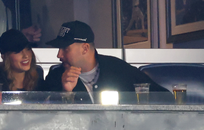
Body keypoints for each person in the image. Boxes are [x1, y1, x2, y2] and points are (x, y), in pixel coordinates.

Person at [44, 20, 172, 104]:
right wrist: (65, 92)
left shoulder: (118, 69)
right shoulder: (56, 76)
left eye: (65, 49)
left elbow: (164, 98)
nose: (59, 55)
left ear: (85, 48)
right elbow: (47, 121)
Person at [0, 29, 44, 102]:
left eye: (28, 49)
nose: (26, 56)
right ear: (5, 57)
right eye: (18, 51)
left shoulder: (38, 81)